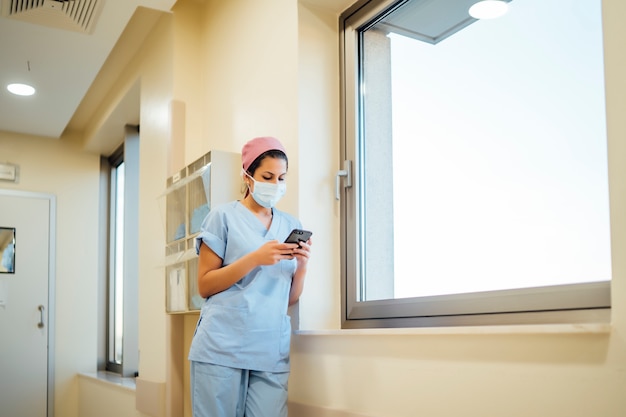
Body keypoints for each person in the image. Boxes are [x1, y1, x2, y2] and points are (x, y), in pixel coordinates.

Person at [188, 136, 312, 417]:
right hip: (222, 346)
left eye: (281, 178)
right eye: (267, 176)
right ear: (248, 176)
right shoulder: (222, 217)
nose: (276, 185)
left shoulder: (291, 225)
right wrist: (255, 258)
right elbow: (205, 285)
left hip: (270, 349)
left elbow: (288, 300)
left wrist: (302, 267)